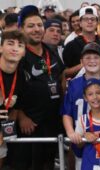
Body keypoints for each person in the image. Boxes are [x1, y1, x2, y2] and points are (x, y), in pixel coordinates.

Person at [15, 5, 65, 170]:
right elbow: (9, 90)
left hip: (53, 122)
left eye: (39, 25)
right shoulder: (18, 55)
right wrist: (21, 116)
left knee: (49, 164)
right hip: (30, 124)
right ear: (21, 29)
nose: (36, 29)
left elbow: (61, 75)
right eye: (31, 26)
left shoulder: (50, 51)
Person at [62, 42, 100, 170]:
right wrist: (71, 133)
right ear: (81, 61)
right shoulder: (74, 84)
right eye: (87, 58)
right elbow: (66, 112)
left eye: (96, 57)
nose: (92, 61)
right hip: (81, 139)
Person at [0, 30, 26, 169]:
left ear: (24, 52)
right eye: (10, 44)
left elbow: (16, 106)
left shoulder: (21, 76)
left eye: (20, 45)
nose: (15, 48)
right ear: (0, 47)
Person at [63, 6, 100, 79]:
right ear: (80, 23)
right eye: (86, 19)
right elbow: (65, 73)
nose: (89, 22)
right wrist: (84, 64)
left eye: (93, 19)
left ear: (97, 23)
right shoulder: (70, 45)